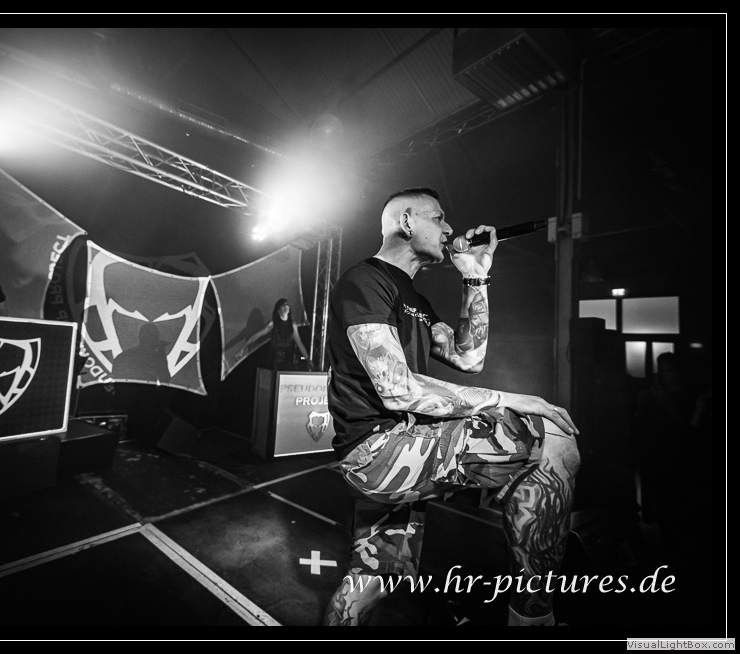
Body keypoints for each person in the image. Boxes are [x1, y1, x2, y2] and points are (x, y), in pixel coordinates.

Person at [323, 187, 581, 627]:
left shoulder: (415, 301)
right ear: (407, 222)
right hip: (380, 449)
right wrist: (508, 400)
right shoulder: (365, 281)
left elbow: (470, 358)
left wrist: (476, 276)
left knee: (373, 579)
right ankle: (533, 618)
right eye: (438, 218)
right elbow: (397, 389)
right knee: (551, 436)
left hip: (402, 449)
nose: (448, 229)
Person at [242, 298, 311, 371]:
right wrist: (243, 347)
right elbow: (257, 336)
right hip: (276, 359)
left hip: (289, 359)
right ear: (278, 310)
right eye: (283, 305)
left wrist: (308, 359)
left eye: (287, 304)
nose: (286, 306)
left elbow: (299, 343)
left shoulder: (292, 325)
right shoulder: (273, 323)